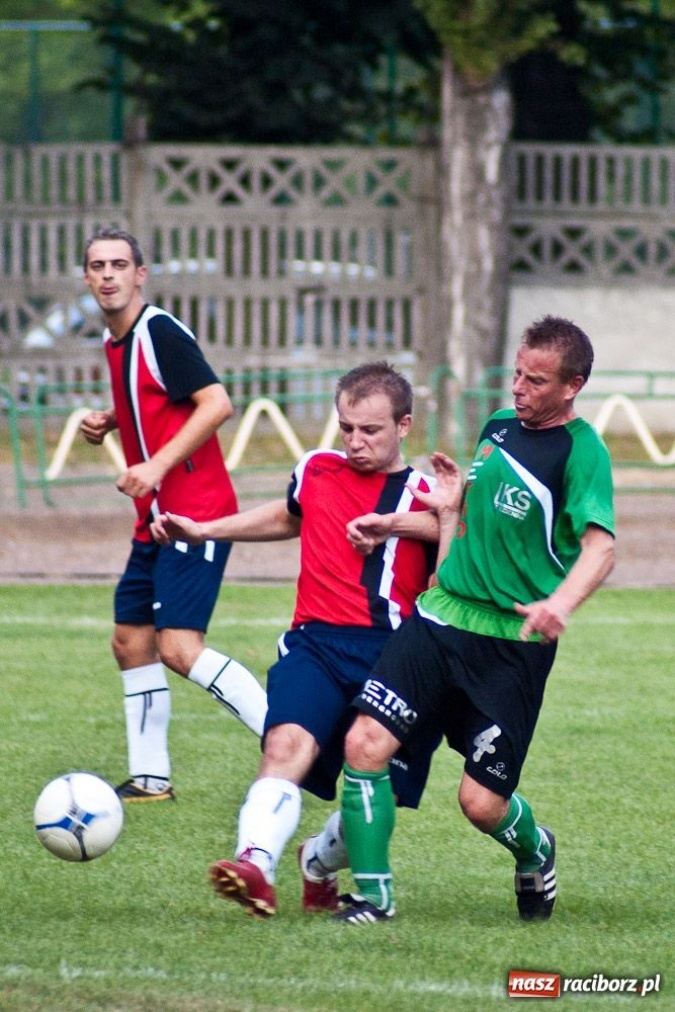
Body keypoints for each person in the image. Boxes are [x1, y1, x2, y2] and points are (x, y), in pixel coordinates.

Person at [151, 362, 462, 916]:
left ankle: (315, 861)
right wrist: (206, 529)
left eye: (371, 430)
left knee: (371, 793)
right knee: (285, 747)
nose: (355, 441)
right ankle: (254, 864)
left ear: (405, 425)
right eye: (346, 427)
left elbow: (451, 567)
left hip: (394, 656)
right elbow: (291, 515)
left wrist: (437, 517)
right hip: (314, 646)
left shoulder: (428, 494)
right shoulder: (316, 468)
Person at [335, 315, 616, 925]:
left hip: (510, 643)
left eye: (535, 380)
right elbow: (467, 513)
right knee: (364, 744)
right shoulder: (498, 428)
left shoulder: (582, 452)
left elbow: (601, 548)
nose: (518, 387)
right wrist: (430, 512)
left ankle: (536, 852)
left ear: (574, 385)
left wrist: (559, 604)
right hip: (439, 618)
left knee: (481, 804)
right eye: (516, 373)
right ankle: (372, 901)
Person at [79, 227, 267, 803]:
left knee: (179, 648)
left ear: (141, 273)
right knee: (130, 639)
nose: (108, 274)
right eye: (96, 266)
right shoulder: (117, 343)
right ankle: (150, 778)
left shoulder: (157, 329)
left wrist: (155, 465)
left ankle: (296, 742)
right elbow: (159, 394)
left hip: (195, 512)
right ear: (86, 278)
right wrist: (114, 417)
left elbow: (217, 402)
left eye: (118, 264)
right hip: (156, 518)